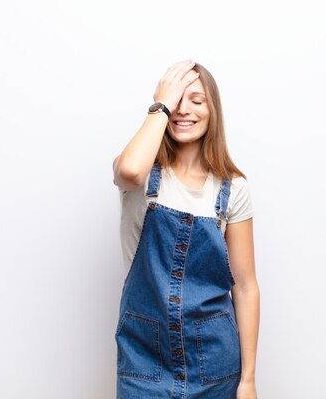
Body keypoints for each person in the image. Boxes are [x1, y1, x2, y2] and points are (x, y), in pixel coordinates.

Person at [112, 59, 260, 399]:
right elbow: (131, 171)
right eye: (177, 99)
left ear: (213, 110)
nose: (184, 110)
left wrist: (248, 380)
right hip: (143, 362)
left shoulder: (232, 189)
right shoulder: (141, 172)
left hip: (215, 364)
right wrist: (160, 103)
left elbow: (246, 288)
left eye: (196, 99)